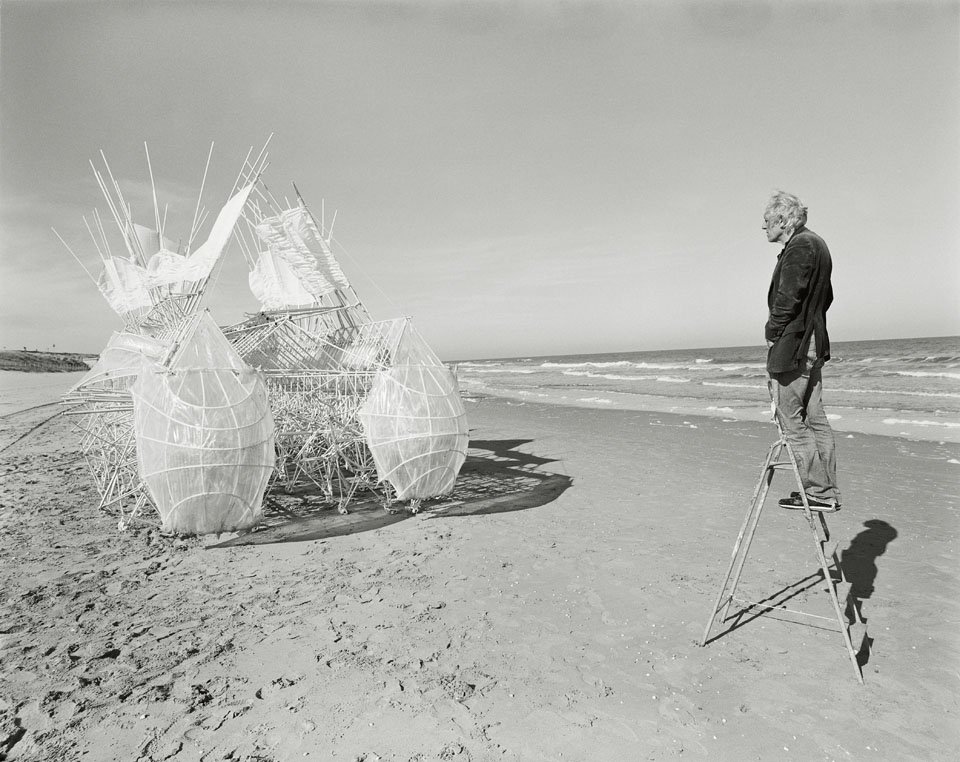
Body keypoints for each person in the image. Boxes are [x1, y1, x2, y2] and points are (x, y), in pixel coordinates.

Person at [762, 190, 841, 512]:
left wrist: (772, 332)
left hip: (796, 343)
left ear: (783, 220)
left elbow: (787, 298)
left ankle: (819, 492)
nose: (764, 227)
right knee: (815, 418)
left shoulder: (801, 246)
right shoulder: (816, 244)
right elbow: (826, 298)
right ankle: (826, 492)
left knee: (791, 420)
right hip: (812, 340)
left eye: (767, 221)